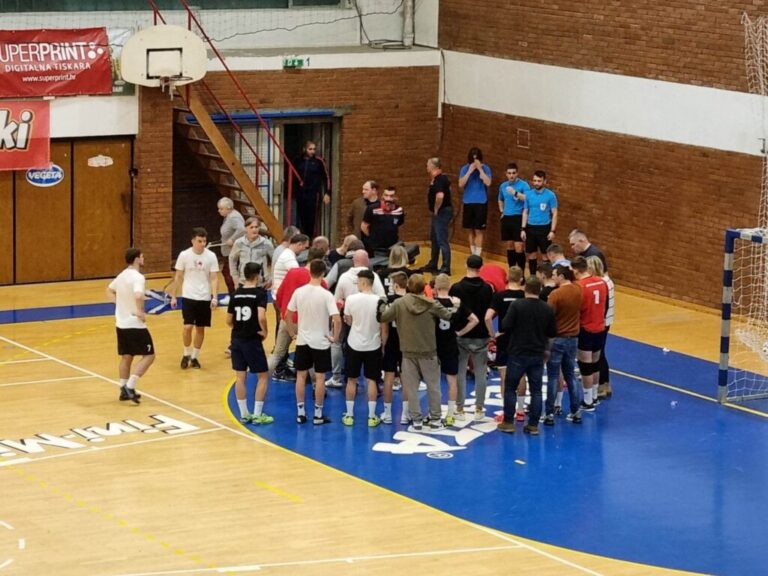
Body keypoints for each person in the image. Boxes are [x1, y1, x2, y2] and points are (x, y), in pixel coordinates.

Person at [378, 274, 458, 430]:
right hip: (429, 352)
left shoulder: (399, 303)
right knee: (433, 387)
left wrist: (382, 303)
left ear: (409, 286)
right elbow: (449, 316)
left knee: (411, 388)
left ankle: (416, 420)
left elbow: (383, 317)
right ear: (424, 287)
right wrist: (456, 305)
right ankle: (435, 419)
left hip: (408, 352)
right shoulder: (432, 304)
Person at [498, 276, 557, 435]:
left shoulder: (517, 305)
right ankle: (533, 425)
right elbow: (552, 333)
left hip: (517, 352)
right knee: (536, 390)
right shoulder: (547, 308)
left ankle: (508, 422)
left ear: (525, 289)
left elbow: (505, 325)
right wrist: (547, 351)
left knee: (511, 387)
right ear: (539, 290)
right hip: (537, 353)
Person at [285, 259, 341, 425]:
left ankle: (300, 413)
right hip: (321, 341)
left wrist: (292, 333)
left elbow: (288, 314)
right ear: (323, 273)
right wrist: (335, 337)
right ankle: (318, 414)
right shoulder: (326, 294)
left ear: (310, 272)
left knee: (301, 376)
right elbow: (337, 319)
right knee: (320, 377)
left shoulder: (299, 292)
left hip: (303, 341)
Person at [268, 247, 328, 380]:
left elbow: (279, 294)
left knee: (277, 354)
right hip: (307, 324)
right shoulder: (320, 282)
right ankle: (316, 386)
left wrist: (283, 313)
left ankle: (261, 380)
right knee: (311, 356)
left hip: (287, 319)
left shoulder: (292, 273)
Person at [227, 262, 273, 425]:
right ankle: (257, 414)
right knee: (263, 376)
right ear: (257, 275)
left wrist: (239, 327)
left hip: (236, 339)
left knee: (240, 377)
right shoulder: (259, 294)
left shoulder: (235, 294)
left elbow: (228, 320)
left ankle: (244, 414)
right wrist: (264, 331)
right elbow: (261, 316)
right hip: (252, 340)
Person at [107, 247, 155, 404]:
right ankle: (130, 385)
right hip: (135, 324)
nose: (143, 259)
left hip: (121, 323)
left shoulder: (121, 275)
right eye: (142, 256)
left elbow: (109, 290)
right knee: (149, 356)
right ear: (136, 259)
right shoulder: (138, 277)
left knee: (126, 356)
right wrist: (140, 312)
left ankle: (122, 389)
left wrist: (120, 304)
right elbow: (138, 295)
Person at [449, 255, 494, 421]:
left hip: (461, 335)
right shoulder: (487, 288)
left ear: (465, 265)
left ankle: (460, 409)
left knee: (460, 373)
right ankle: (479, 409)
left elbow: (452, 313)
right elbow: (490, 312)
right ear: (481, 267)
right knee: (481, 373)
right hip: (481, 336)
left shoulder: (456, 288)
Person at [342, 269, 387, 428]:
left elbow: (348, 320)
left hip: (354, 343)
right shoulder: (380, 301)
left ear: (363, 282)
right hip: (373, 345)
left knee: (351, 379)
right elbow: (384, 326)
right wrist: (383, 344)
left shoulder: (351, 299)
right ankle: (372, 416)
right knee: (372, 380)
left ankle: (349, 415)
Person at [169, 227, 219, 369]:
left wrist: (214, 297)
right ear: (192, 241)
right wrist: (174, 296)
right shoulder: (184, 255)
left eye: (204, 241)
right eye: (199, 241)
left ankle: (195, 357)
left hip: (204, 297)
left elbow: (214, 278)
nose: (202, 244)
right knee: (187, 327)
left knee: (200, 328)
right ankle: (186, 354)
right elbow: (178, 277)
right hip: (188, 296)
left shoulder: (211, 256)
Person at [434, 273, 478, 424]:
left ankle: (434, 413)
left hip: (434, 345)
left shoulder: (432, 303)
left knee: (433, 381)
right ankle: (451, 414)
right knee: (452, 380)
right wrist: (460, 332)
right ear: (449, 286)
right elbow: (474, 320)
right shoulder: (456, 303)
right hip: (451, 344)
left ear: (436, 286)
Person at [484, 266, 524, 421]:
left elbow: (488, 317)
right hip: (521, 340)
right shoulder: (525, 296)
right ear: (521, 279)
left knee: (504, 376)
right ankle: (520, 410)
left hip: (504, 339)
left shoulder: (500, 296)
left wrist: (492, 335)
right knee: (521, 375)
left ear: (507, 278)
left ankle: (507, 412)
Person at [545, 264, 583, 425]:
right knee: (570, 375)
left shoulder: (556, 294)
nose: (552, 277)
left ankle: (549, 413)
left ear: (561, 276)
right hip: (573, 338)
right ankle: (576, 411)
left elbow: (547, 317)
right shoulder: (578, 290)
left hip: (557, 338)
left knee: (553, 376)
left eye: (554, 274)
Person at [571, 255, 608, 411]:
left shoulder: (579, 286)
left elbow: (576, 309)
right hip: (600, 327)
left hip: (585, 328)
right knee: (595, 363)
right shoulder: (602, 282)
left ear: (576, 270)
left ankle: (587, 401)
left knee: (585, 366)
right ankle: (593, 396)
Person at [380, 270, 407, 424]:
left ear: (395, 285)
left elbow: (384, 328)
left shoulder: (388, 301)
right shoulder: (412, 300)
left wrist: (383, 345)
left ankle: (387, 413)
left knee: (389, 377)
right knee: (406, 378)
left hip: (391, 340)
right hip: (407, 342)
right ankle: (406, 414)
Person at [587, 255, 615, 400]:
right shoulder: (607, 281)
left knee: (599, 355)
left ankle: (602, 385)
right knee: (600, 353)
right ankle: (606, 384)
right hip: (606, 321)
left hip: (601, 323)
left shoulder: (601, 283)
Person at [521, 170, 558, 276]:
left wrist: (552, 231)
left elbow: (555, 213)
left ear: (544, 181)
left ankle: (546, 278)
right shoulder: (528, 195)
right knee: (531, 255)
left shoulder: (550, 195)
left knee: (545, 255)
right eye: (535, 180)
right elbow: (525, 212)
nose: (536, 183)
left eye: (539, 181)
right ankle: (532, 278)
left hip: (544, 229)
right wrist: (523, 229)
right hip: (530, 228)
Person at [458, 147, 492, 256]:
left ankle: (478, 255)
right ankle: (472, 254)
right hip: (468, 202)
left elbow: (488, 183)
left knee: (478, 230)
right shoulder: (465, 169)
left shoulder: (486, 168)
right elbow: (461, 184)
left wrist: (480, 170)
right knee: (470, 229)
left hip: (481, 202)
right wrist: (469, 172)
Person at [294, 140, 330, 238]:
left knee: (312, 218)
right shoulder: (298, 160)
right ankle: (302, 237)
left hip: (313, 194)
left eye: (314, 149)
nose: (312, 151)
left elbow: (326, 177)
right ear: (304, 149)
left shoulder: (319, 161)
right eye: (310, 149)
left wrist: (327, 193)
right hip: (300, 193)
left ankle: (310, 238)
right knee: (301, 216)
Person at [423, 157, 453, 275]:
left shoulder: (440, 179)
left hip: (442, 212)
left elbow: (440, 196)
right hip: (439, 213)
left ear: (433, 166)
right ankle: (433, 264)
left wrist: (436, 209)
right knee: (434, 238)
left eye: (428, 164)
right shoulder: (436, 179)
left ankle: (446, 267)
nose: (426, 167)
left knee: (441, 239)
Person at [498, 163, 530, 269]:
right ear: (506, 174)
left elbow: (527, 198)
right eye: (509, 173)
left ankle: (521, 273)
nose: (511, 175)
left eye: (513, 173)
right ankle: (512, 271)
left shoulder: (524, 185)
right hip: (507, 217)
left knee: (519, 246)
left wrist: (515, 193)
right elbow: (500, 199)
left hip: (518, 217)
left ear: (517, 173)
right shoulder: (503, 186)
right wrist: (502, 211)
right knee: (509, 246)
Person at [229, 216, 274, 289]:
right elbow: (232, 260)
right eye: (251, 227)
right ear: (246, 228)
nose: (254, 229)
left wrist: (271, 278)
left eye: (256, 227)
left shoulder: (266, 243)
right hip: (243, 282)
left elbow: (275, 260)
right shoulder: (238, 243)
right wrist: (235, 277)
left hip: (261, 283)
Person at [362, 184, 405, 255]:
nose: (388, 198)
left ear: (396, 197)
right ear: (382, 196)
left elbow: (398, 224)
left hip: (392, 247)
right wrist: (373, 237)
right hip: (375, 248)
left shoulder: (399, 210)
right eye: (386, 195)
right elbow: (364, 226)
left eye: (391, 196)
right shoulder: (372, 209)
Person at [217, 197, 245, 303]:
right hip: (229, 251)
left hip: (233, 252)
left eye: (221, 208)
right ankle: (234, 294)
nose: (219, 211)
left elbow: (242, 229)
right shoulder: (228, 216)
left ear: (228, 208)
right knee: (228, 272)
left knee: (229, 272)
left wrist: (232, 239)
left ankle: (233, 295)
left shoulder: (234, 217)